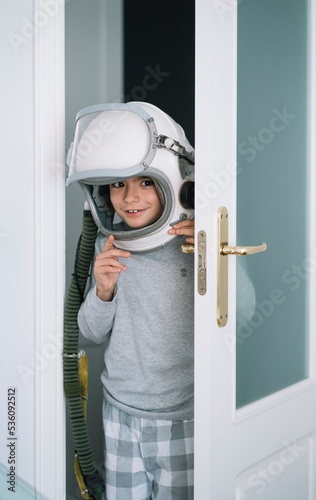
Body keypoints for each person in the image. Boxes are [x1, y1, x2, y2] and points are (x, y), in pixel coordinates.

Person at [67, 101, 195, 499]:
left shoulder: (194, 245)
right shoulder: (113, 246)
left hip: (182, 416)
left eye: (144, 182)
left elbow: (239, 313)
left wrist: (212, 250)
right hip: (120, 410)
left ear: (172, 180)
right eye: (118, 184)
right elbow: (89, 332)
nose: (129, 198)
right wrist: (102, 291)